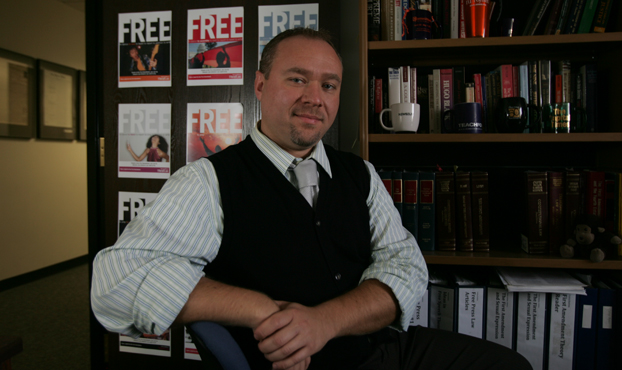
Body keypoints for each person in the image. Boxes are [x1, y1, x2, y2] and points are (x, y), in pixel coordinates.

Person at [92, 28, 532, 370]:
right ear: (260, 86)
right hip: (288, 365)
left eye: (329, 85)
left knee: (511, 365)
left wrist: (324, 322)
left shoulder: (360, 173)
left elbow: (405, 266)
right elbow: (116, 283)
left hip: (384, 351)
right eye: (297, 79)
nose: (313, 99)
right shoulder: (208, 181)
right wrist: (262, 310)